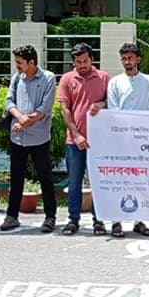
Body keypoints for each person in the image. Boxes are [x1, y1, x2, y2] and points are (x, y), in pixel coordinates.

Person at [104, 43, 149, 238]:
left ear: (138, 59)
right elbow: (114, 110)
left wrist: (141, 132)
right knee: (119, 180)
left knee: (141, 181)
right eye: (124, 58)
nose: (127, 62)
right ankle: (116, 221)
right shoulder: (115, 82)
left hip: (142, 140)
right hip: (120, 140)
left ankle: (139, 220)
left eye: (130, 58)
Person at [4, 45, 58, 233]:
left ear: (32, 62)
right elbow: (9, 101)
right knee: (16, 177)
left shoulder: (48, 78)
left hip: (39, 137)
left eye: (20, 62)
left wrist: (25, 122)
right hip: (17, 137)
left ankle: (50, 217)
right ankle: (12, 216)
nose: (17, 66)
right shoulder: (17, 78)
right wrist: (19, 117)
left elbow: (45, 109)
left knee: (45, 177)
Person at [58, 42, 110, 236]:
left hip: (100, 141)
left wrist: (102, 103)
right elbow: (65, 109)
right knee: (74, 182)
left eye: (85, 60)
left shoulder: (104, 77)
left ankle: (99, 220)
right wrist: (76, 134)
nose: (82, 65)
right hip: (75, 141)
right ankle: (73, 220)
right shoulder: (66, 79)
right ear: (73, 62)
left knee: (99, 182)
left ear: (92, 59)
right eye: (78, 62)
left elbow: (111, 103)